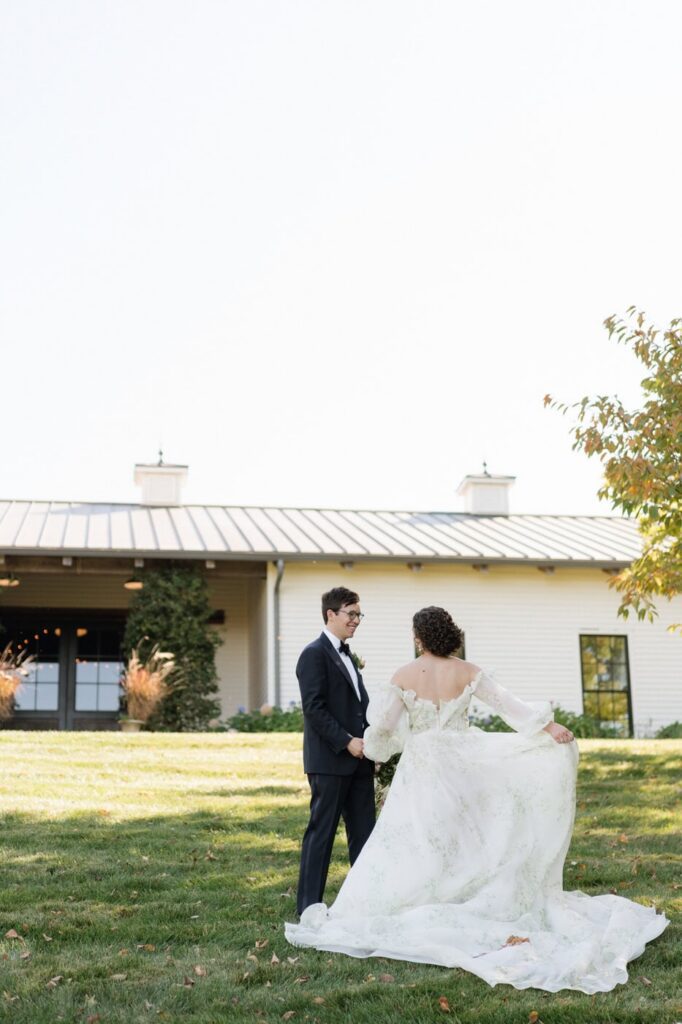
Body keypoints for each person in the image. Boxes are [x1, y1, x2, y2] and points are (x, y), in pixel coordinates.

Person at [286, 606, 668, 994]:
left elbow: (382, 730)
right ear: (448, 634)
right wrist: (547, 726)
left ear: (419, 637)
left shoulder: (403, 676)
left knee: (418, 839)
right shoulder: (467, 671)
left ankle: (432, 895)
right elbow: (509, 707)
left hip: (422, 769)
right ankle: (462, 893)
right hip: (462, 764)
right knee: (464, 837)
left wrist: (375, 749)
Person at [294, 586, 375, 917]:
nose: (356, 620)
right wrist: (346, 741)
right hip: (330, 761)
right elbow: (314, 709)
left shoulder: (348, 655)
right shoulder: (313, 654)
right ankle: (309, 906)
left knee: (365, 836)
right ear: (331, 614)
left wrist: (373, 741)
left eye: (359, 614)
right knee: (322, 834)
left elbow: (360, 706)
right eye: (350, 614)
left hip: (361, 761)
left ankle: (363, 903)